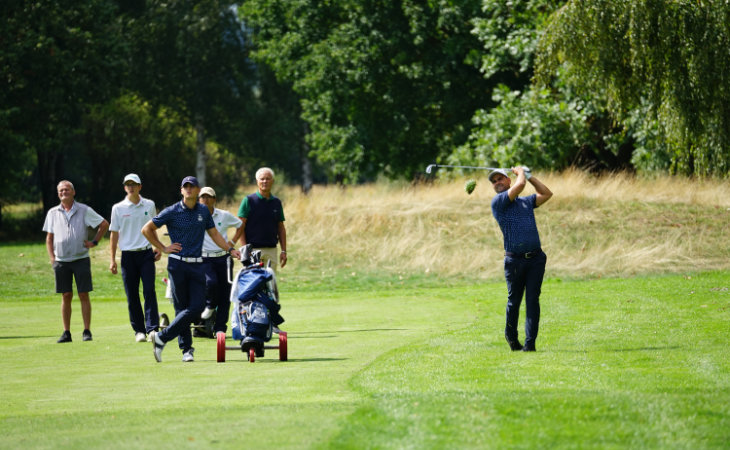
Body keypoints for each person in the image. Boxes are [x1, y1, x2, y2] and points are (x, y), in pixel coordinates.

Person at [141, 176, 241, 362]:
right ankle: (186, 350)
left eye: (191, 186)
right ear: (181, 191)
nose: (188, 189)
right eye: (185, 187)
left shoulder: (203, 210)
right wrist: (163, 248)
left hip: (197, 264)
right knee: (181, 308)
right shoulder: (172, 211)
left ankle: (161, 338)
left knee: (198, 307)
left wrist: (230, 249)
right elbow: (147, 229)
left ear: (197, 190)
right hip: (177, 263)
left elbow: (214, 234)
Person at [489, 166, 553, 352]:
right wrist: (521, 174)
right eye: (494, 181)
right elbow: (521, 184)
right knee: (514, 301)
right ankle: (511, 337)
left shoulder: (525, 202)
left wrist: (531, 176)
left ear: (508, 181)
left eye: (500, 179)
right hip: (514, 261)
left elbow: (547, 193)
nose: (497, 183)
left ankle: (530, 344)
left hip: (535, 259)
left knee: (533, 300)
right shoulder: (498, 202)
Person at [43, 180, 109, 343]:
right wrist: (52, 259)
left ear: (73, 192)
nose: (63, 192)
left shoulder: (84, 210)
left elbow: (104, 224)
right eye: (60, 191)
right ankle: (66, 332)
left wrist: (94, 242)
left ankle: (87, 331)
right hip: (61, 260)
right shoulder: (52, 212)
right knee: (66, 295)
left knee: (83, 294)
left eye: (66, 190)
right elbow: (49, 238)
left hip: (80, 259)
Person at [109, 173, 161, 343]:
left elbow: (152, 228)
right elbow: (114, 234)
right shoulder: (118, 208)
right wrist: (112, 259)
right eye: (128, 184)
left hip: (146, 253)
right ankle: (139, 330)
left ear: (140, 186)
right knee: (132, 294)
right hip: (128, 256)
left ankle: (152, 328)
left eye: (134, 184)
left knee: (149, 291)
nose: (131, 187)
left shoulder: (149, 205)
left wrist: (158, 247)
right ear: (125, 187)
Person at [198, 186, 243, 336]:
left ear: (214, 200)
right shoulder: (194, 215)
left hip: (223, 258)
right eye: (202, 197)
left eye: (208, 197)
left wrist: (232, 242)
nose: (205, 200)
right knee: (211, 283)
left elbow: (240, 225)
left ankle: (220, 328)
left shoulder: (224, 215)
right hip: (204, 258)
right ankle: (210, 307)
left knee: (225, 295)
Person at [236, 167, 287, 271]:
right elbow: (240, 227)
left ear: (272, 181)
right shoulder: (248, 200)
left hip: (271, 250)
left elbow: (281, 228)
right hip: (252, 250)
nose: (265, 181)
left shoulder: (277, 202)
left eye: (268, 179)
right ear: (257, 181)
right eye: (262, 179)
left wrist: (283, 251)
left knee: (270, 285)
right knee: (254, 284)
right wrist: (245, 250)